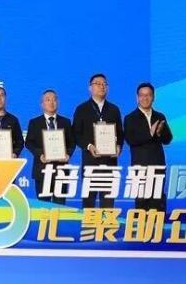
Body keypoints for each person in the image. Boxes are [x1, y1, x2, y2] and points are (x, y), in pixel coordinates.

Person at [72, 73, 124, 208]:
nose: (102, 86)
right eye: (98, 84)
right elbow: (76, 134)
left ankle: (106, 223)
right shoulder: (81, 109)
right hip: (90, 162)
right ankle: (89, 222)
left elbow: (120, 133)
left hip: (110, 163)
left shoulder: (114, 109)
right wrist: (89, 146)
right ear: (90, 88)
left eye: (104, 84)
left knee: (108, 203)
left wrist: (118, 146)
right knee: (89, 202)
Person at [123, 82, 173, 210]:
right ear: (137, 98)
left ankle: (158, 223)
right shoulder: (130, 118)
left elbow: (168, 139)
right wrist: (150, 133)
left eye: (148, 95)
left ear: (153, 97)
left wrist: (160, 133)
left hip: (158, 165)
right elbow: (130, 140)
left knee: (158, 201)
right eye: (142, 95)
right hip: (140, 167)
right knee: (141, 201)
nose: (145, 98)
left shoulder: (159, 116)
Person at [25, 89, 75, 204]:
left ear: (57, 102)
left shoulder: (66, 122)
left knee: (60, 206)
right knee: (43, 206)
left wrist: (68, 154)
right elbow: (29, 143)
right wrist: (40, 155)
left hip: (61, 170)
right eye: (48, 100)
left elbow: (72, 142)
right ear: (42, 104)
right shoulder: (34, 122)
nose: (51, 102)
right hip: (42, 170)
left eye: (54, 99)